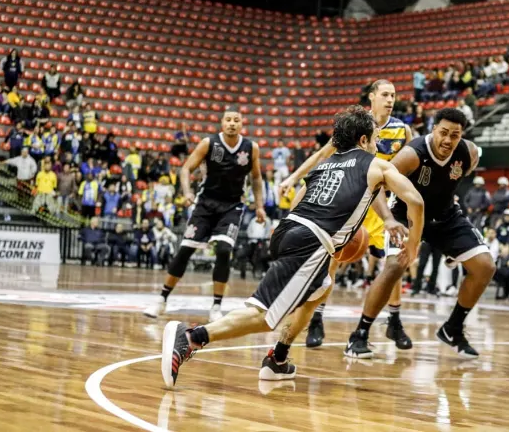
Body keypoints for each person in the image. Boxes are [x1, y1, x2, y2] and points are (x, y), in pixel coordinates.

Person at [161, 106, 424, 387]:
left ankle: (278, 359)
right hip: (311, 242)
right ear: (362, 141)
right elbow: (416, 201)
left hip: (288, 231)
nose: (376, 145)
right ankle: (191, 337)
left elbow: (299, 201)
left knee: (319, 289)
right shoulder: (378, 165)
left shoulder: (325, 165)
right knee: (264, 316)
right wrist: (413, 246)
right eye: (374, 139)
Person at [344, 108, 495, 359]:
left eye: (454, 135)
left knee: (485, 266)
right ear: (433, 129)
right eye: (443, 133)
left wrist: (452, 245)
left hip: (446, 216)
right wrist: (389, 219)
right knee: (394, 267)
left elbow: (453, 182)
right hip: (406, 214)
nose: (448, 140)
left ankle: (453, 328)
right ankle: (359, 334)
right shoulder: (412, 155)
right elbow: (375, 185)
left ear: (462, 136)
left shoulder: (469, 153)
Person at [280, 79, 415, 350]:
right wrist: (294, 177)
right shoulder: (357, 124)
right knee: (333, 259)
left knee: (394, 264)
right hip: (354, 197)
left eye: (394, 95)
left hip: (385, 203)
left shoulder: (403, 130)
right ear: (372, 97)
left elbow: (413, 162)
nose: (391, 99)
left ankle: (394, 320)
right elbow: (322, 154)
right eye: (385, 94)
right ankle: (317, 318)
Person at [144, 110, 265, 322]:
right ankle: (162, 300)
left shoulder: (251, 148)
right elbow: (185, 169)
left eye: (236, 120)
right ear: (221, 123)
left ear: (242, 124)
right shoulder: (208, 143)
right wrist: (187, 192)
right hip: (205, 204)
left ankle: (216, 306)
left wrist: (260, 206)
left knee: (224, 249)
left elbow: (256, 178)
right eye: (228, 120)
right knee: (184, 251)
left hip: (232, 205)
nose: (232, 124)